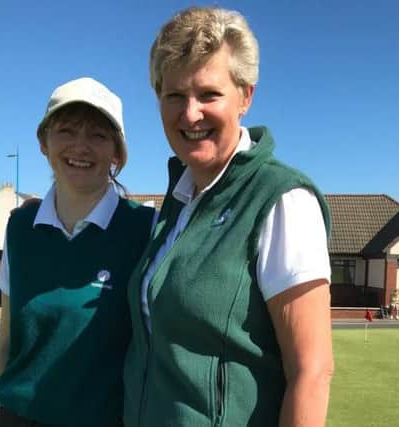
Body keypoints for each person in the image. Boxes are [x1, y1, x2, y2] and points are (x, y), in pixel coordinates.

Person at [123, 7, 333, 427]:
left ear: (245, 96)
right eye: (174, 96)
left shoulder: (281, 199)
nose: (190, 114)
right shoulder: (177, 202)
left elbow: (312, 372)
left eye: (208, 94)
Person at [0, 77, 155, 427]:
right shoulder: (19, 227)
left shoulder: (147, 229)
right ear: (44, 142)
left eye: (97, 135)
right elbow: (6, 339)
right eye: (66, 131)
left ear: (117, 152)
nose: (80, 147)